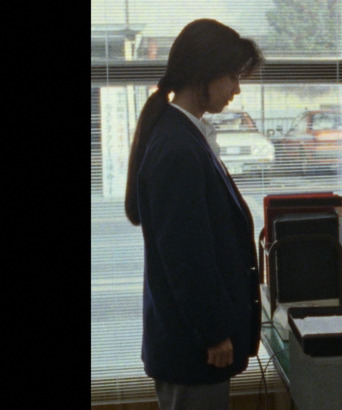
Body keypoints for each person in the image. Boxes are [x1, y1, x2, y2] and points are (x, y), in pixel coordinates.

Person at [124, 19, 263, 409]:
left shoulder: (185, 135)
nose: (237, 89)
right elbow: (186, 256)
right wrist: (214, 332)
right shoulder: (178, 148)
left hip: (193, 343)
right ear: (204, 73)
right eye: (232, 77)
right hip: (194, 348)